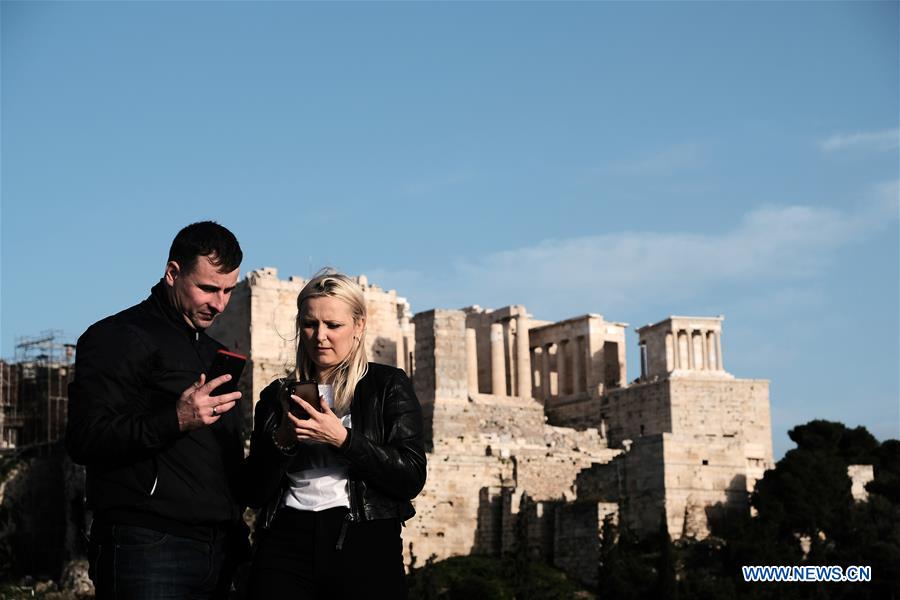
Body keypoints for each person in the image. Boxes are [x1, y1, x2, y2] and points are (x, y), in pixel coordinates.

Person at [66, 221, 249, 600]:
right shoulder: (116, 336)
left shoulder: (215, 353)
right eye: (208, 288)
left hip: (223, 551)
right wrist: (176, 418)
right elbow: (85, 438)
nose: (219, 303)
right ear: (172, 273)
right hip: (148, 547)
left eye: (228, 290)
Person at [244, 270, 427, 599]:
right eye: (310, 324)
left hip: (364, 539)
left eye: (333, 325)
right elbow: (254, 492)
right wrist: (283, 441)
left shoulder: (387, 386)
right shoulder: (275, 396)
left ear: (358, 326)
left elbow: (411, 476)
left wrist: (342, 438)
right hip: (286, 541)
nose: (320, 336)